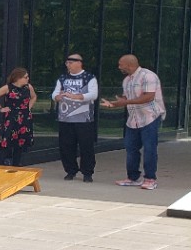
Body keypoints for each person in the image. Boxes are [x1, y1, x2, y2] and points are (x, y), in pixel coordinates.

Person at [101, 53, 165, 190]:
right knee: (131, 149)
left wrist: (125, 102)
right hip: (133, 119)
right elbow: (126, 98)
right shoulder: (127, 80)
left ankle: (150, 179)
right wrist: (115, 103)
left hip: (150, 117)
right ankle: (133, 178)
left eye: (120, 64)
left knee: (149, 149)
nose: (119, 67)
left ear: (129, 64)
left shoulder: (148, 76)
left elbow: (148, 97)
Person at [52, 54, 98, 182]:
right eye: (67, 63)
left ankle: (87, 172)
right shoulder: (62, 78)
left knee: (86, 146)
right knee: (66, 146)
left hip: (84, 119)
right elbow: (55, 93)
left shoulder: (89, 78)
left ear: (79, 63)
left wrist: (76, 96)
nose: (68, 65)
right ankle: (70, 170)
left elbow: (93, 95)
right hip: (65, 118)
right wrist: (57, 97)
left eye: (70, 62)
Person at [0, 68, 37, 167]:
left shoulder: (28, 87)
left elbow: (34, 97)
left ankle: (16, 164)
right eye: (25, 77)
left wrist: (28, 108)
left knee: (20, 142)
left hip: (24, 116)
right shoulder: (8, 88)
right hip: (11, 116)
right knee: (6, 140)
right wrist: (0, 108)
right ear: (18, 78)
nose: (27, 79)